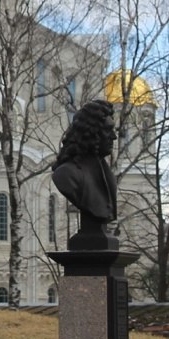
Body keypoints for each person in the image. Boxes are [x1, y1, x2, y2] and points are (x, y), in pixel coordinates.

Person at [51, 99, 118, 247]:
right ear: (92, 133)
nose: (113, 136)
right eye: (107, 130)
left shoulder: (108, 177)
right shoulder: (67, 174)